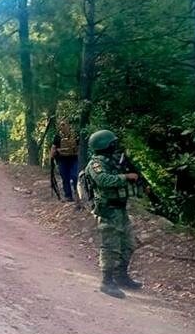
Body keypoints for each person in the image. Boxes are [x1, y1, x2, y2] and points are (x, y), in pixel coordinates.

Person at [85, 129, 143, 299]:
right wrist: (126, 177)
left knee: (129, 243)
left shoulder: (113, 161)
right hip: (107, 210)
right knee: (110, 247)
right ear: (105, 146)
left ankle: (121, 276)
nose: (115, 146)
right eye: (112, 143)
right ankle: (107, 281)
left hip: (120, 210)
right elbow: (103, 180)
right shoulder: (95, 164)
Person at [50, 120, 79, 202]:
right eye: (61, 125)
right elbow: (53, 147)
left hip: (73, 158)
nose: (62, 127)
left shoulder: (75, 135)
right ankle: (68, 196)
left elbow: (79, 146)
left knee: (74, 176)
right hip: (62, 159)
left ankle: (78, 194)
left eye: (64, 125)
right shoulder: (58, 136)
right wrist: (52, 157)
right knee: (65, 177)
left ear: (68, 125)